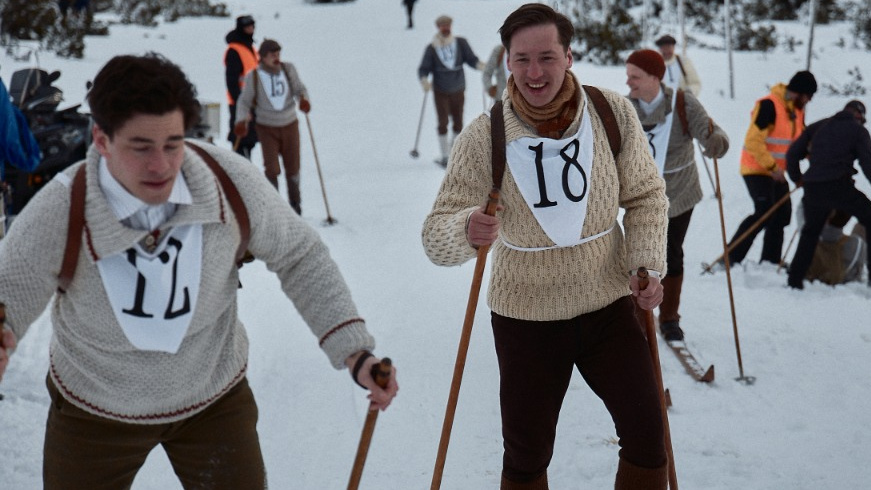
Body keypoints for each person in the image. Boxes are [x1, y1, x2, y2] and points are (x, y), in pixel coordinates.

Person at [0, 53, 397, 489]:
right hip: (94, 410)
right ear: (101, 139)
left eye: (173, 144)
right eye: (141, 146)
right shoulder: (63, 207)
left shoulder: (227, 185)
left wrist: (355, 352)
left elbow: (299, 254)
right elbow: (9, 293)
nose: (161, 164)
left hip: (212, 400)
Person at [422, 4, 669, 488]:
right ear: (507, 62)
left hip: (608, 303)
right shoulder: (485, 135)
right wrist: (466, 228)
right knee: (527, 454)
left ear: (570, 56)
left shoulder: (610, 112)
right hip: (525, 317)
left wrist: (646, 264)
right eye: (522, 59)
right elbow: (435, 234)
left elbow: (645, 195)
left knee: (647, 432)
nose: (535, 72)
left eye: (547, 57)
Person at [625, 49, 729, 341]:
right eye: (628, 75)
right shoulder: (624, 107)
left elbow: (712, 132)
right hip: (640, 196)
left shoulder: (683, 102)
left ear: (655, 77)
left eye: (635, 76)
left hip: (679, 193)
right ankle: (637, 316)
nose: (629, 82)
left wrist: (716, 142)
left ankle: (669, 317)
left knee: (670, 253)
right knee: (638, 257)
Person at [723, 70, 817, 267]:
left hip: (777, 173)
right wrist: (772, 167)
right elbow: (753, 141)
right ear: (798, 93)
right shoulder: (769, 105)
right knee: (764, 212)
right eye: (808, 97)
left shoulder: (797, 111)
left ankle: (770, 261)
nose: (808, 101)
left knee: (782, 214)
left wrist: (813, 157)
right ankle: (730, 257)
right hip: (756, 168)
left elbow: (800, 142)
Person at [785, 99, 871, 289]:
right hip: (839, 184)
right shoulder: (858, 131)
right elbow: (867, 164)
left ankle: (795, 280)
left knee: (810, 233)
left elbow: (792, 154)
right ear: (858, 115)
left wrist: (797, 178)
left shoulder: (818, 126)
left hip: (813, 187)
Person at [234, 39, 310, 215]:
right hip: (267, 127)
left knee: (293, 166)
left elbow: (299, 88)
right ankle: (275, 208)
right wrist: (241, 121)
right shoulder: (254, 76)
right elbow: (244, 102)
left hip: (290, 123)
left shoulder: (288, 69)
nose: (276, 58)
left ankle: (295, 204)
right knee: (272, 167)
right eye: (272, 55)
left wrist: (304, 100)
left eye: (278, 54)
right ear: (263, 57)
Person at [418, 15, 486, 167]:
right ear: (438, 27)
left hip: (458, 87)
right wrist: (424, 80)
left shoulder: (460, 43)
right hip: (440, 89)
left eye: (447, 25)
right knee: (443, 121)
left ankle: (454, 152)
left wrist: (479, 65)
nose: (445, 28)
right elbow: (424, 67)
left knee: (458, 120)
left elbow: (470, 59)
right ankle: (444, 155)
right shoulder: (432, 48)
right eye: (442, 25)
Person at [801, 208, 867, 286]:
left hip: (814, 280)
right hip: (844, 283)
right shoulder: (857, 243)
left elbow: (802, 209)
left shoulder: (809, 236)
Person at [224, 14, 259, 159]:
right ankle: (238, 172)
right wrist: (241, 105)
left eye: (252, 26)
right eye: (247, 27)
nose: (250, 29)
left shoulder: (251, 48)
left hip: (253, 102)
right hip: (240, 103)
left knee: (250, 140)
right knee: (241, 140)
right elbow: (232, 81)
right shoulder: (234, 51)